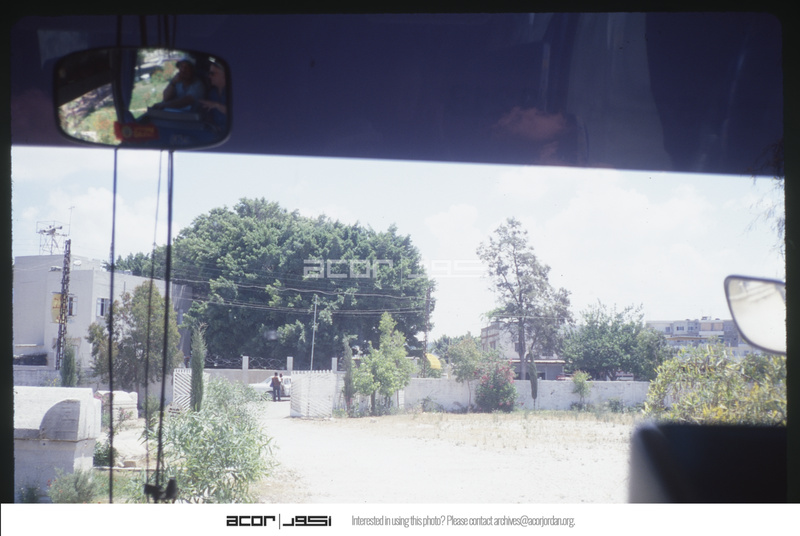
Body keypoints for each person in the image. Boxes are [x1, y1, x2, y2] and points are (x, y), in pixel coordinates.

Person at [198, 60, 227, 128]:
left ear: (224, 75)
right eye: (209, 73)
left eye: (212, 73)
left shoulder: (234, 92)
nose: (209, 76)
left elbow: (238, 113)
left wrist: (217, 105)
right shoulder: (212, 93)